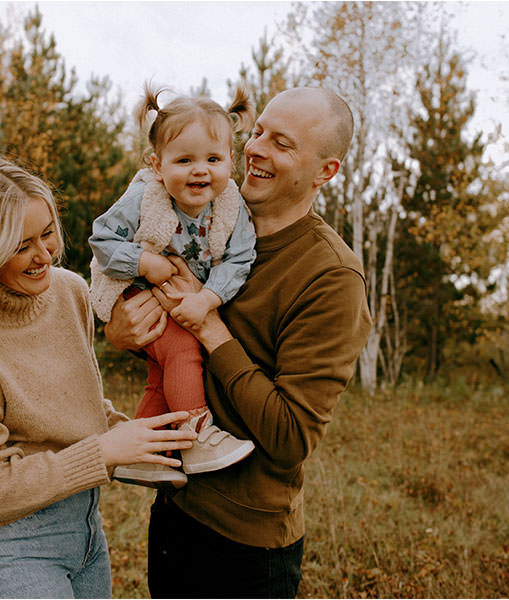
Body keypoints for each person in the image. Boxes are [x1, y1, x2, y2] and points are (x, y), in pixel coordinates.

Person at [105, 87, 373, 598]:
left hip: (245, 546)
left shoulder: (331, 277)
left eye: (284, 144)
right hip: (175, 509)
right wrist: (121, 331)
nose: (257, 149)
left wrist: (212, 326)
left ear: (325, 172)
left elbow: (292, 437)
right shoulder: (209, 218)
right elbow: (159, 324)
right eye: (259, 132)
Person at [0, 152, 196, 599]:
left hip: (85, 533)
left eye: (47, 234)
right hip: (8, 546)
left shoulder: (70, 292)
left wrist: (143, 437)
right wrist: (103, 452)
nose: (43, 255)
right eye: (19, 244)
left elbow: (79, 408)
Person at [88, 84, 257, 489]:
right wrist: (147, 262)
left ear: (231, 162)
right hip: (132, 288)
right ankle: (196, 435)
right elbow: (102, 238)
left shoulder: (232, 207)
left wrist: (208, 299)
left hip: (185, 299)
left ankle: (145, 454)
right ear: (158, 165)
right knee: (182, 349)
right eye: (184, 160)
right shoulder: (146, 196)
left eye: (213, 159)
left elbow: (240, 258)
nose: (200, 170)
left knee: (162, 373)